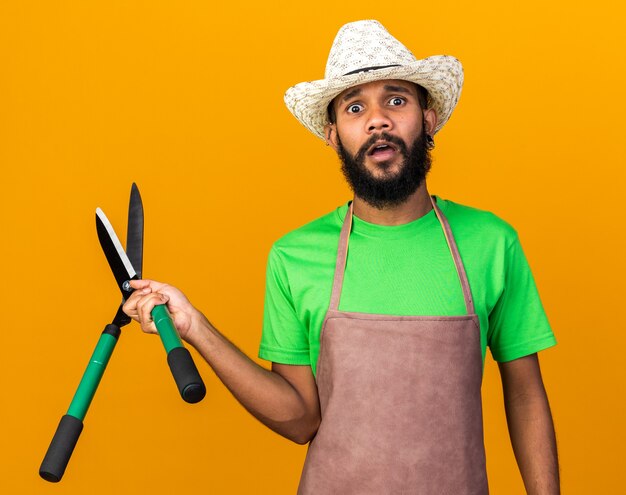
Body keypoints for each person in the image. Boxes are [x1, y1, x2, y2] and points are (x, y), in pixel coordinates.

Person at [124, 20, 559, 494]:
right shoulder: (294, 257)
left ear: (427, 118)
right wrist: (194, 327)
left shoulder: (491, 242)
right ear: (333, 135)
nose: (378, 120)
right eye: (355, 107)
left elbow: (525, 393)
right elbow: (299, 420)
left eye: (396, 100)